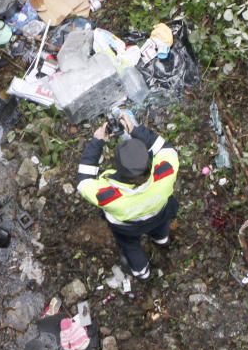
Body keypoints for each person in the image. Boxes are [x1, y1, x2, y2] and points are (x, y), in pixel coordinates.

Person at [75, 112, 179, 281]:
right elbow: (166, 148)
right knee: (160, 226)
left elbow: (83, 182)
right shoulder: (164, 174)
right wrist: (136, 130)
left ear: (119, 168)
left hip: (127, 227)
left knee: (130, 246)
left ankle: (142, 272)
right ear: (148, 160)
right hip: (159, 213)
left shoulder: (108, 195)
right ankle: (162, 239)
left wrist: (96, 142)